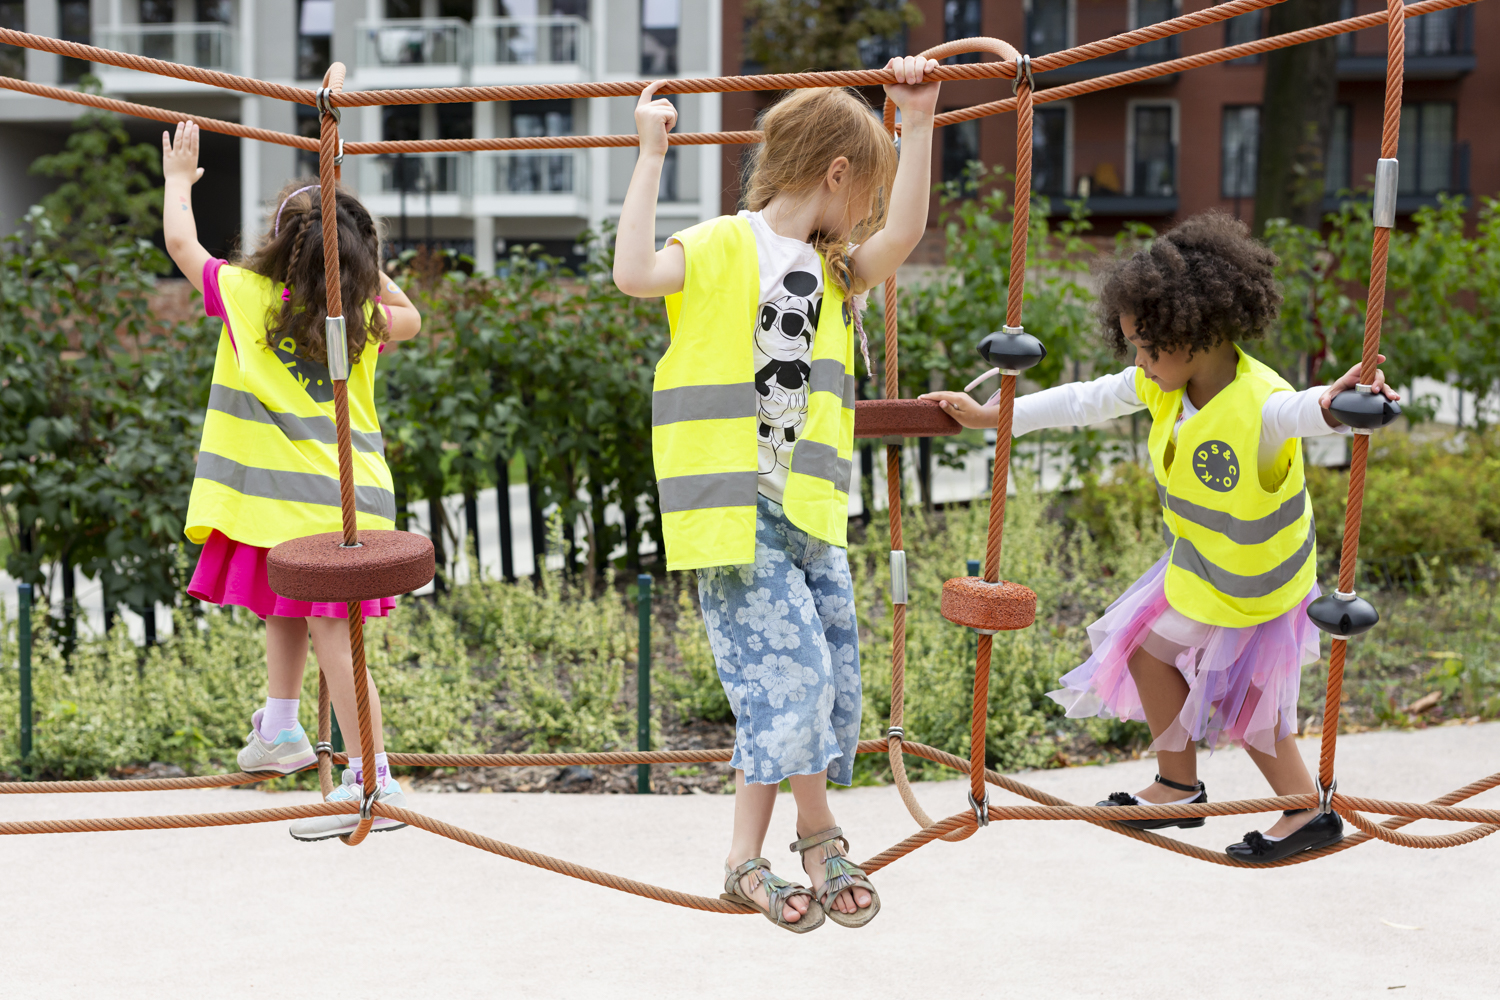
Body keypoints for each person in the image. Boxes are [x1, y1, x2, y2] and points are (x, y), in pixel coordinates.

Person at [921, 213, 1400, 864]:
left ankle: (1298, 809)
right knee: (1150, 653)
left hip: (1258, 584)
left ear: (1197, 334)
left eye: (1147, 348)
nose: (1139, 363)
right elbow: (1083, 400)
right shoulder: (1162, 382)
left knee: (1249, 703)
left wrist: (1342, 404)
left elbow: (1305, 411)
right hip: (1205, 569)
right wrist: (991, 417)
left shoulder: (1259, 402)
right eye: (1135, 350)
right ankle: (1181, 785)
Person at [613, 59, 941, 930]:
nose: (868, 211)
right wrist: (649, 154)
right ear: (837, 173)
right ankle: (822, 836)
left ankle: (741, 861)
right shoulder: (725, 244)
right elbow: (634, 272)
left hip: (809, 510)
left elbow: (904, 232)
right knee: (792, 679)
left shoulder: (836, 271)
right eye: (865, 189)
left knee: (820, 688)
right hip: (731, 510)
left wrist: (917, 120)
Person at [161, 121, 422, 842]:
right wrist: (360, 261)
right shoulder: (365, 312)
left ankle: (373, 777)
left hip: (277, 499)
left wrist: (179, 182)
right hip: (343, 497)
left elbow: (184, 247)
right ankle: (280, 727)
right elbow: (415, 317)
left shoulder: (246, 294)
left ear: (276, 245)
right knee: (294, 607)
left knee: (330, 634)